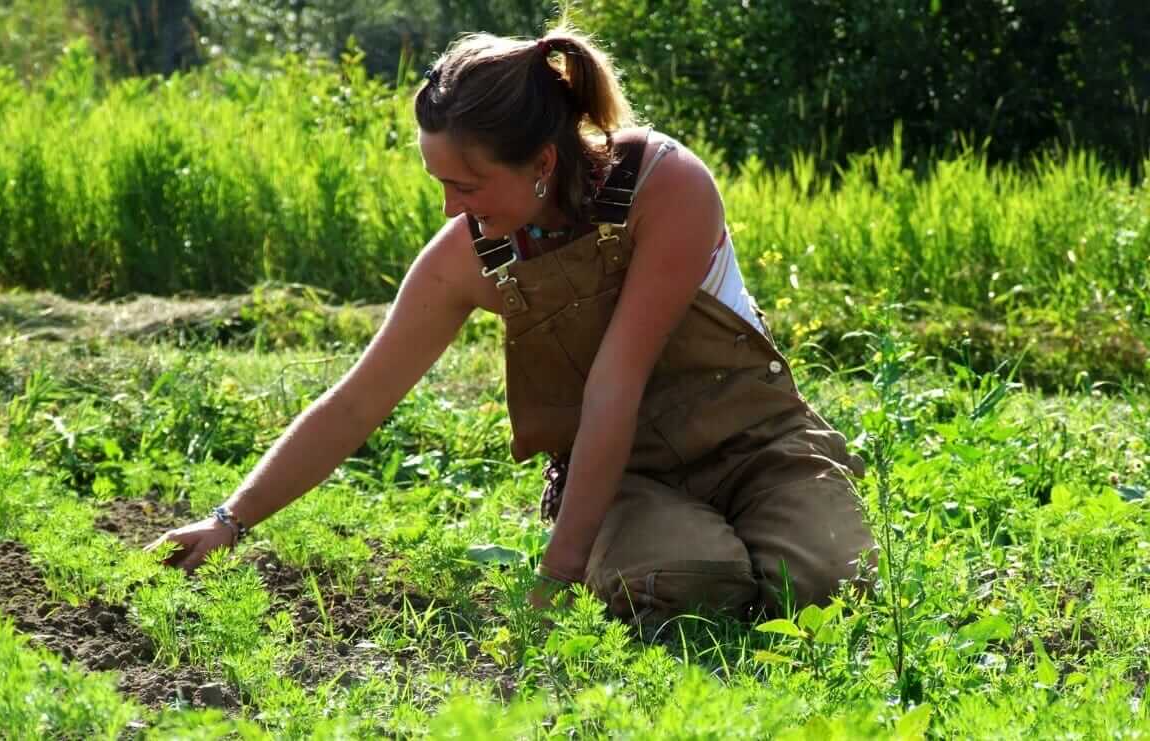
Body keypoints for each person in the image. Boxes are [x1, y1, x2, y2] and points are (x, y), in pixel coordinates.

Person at [146, 27, 876, 629]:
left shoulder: (666, 187)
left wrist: (555, 579)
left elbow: (614, 385)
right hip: (629, 479)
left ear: (542, 163)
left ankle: (780, 533)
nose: (448, 210)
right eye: (440, 186)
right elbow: (354, 404)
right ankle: (690, 555)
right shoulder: (466, 257)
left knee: (827, 585)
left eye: (464, 186)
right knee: (687, 582)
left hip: (757, 444)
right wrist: (229, 521)